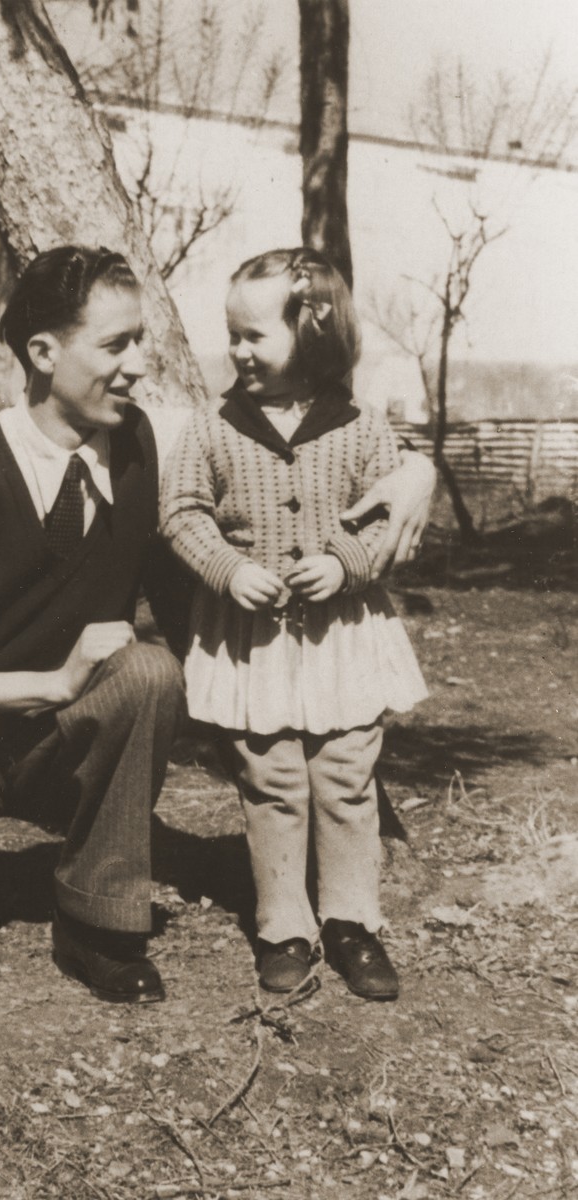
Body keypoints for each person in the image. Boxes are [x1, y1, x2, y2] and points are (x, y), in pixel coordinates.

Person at [0, 244, 434, 1003]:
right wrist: (49, 681)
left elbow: (284, 433)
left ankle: (97, 925)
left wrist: (416, 474)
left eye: (140, 340)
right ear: (43, 353)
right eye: (116, 345)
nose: (140, 364)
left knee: (147, 673)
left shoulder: (154, 439)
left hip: (68, 734)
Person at [160, 248, 429, 1002]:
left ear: (310, 334)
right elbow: (180, 513)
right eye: (232, 335)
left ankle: (351, 921)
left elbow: (386, 520)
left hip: (343, 637)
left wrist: (345, 562)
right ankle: (284, 923)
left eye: (255, 336)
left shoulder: (361, 427)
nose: (238, 351)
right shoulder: (213, 426)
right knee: (271, 776)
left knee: (345, 775)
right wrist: (227, 568)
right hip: (256, 642)